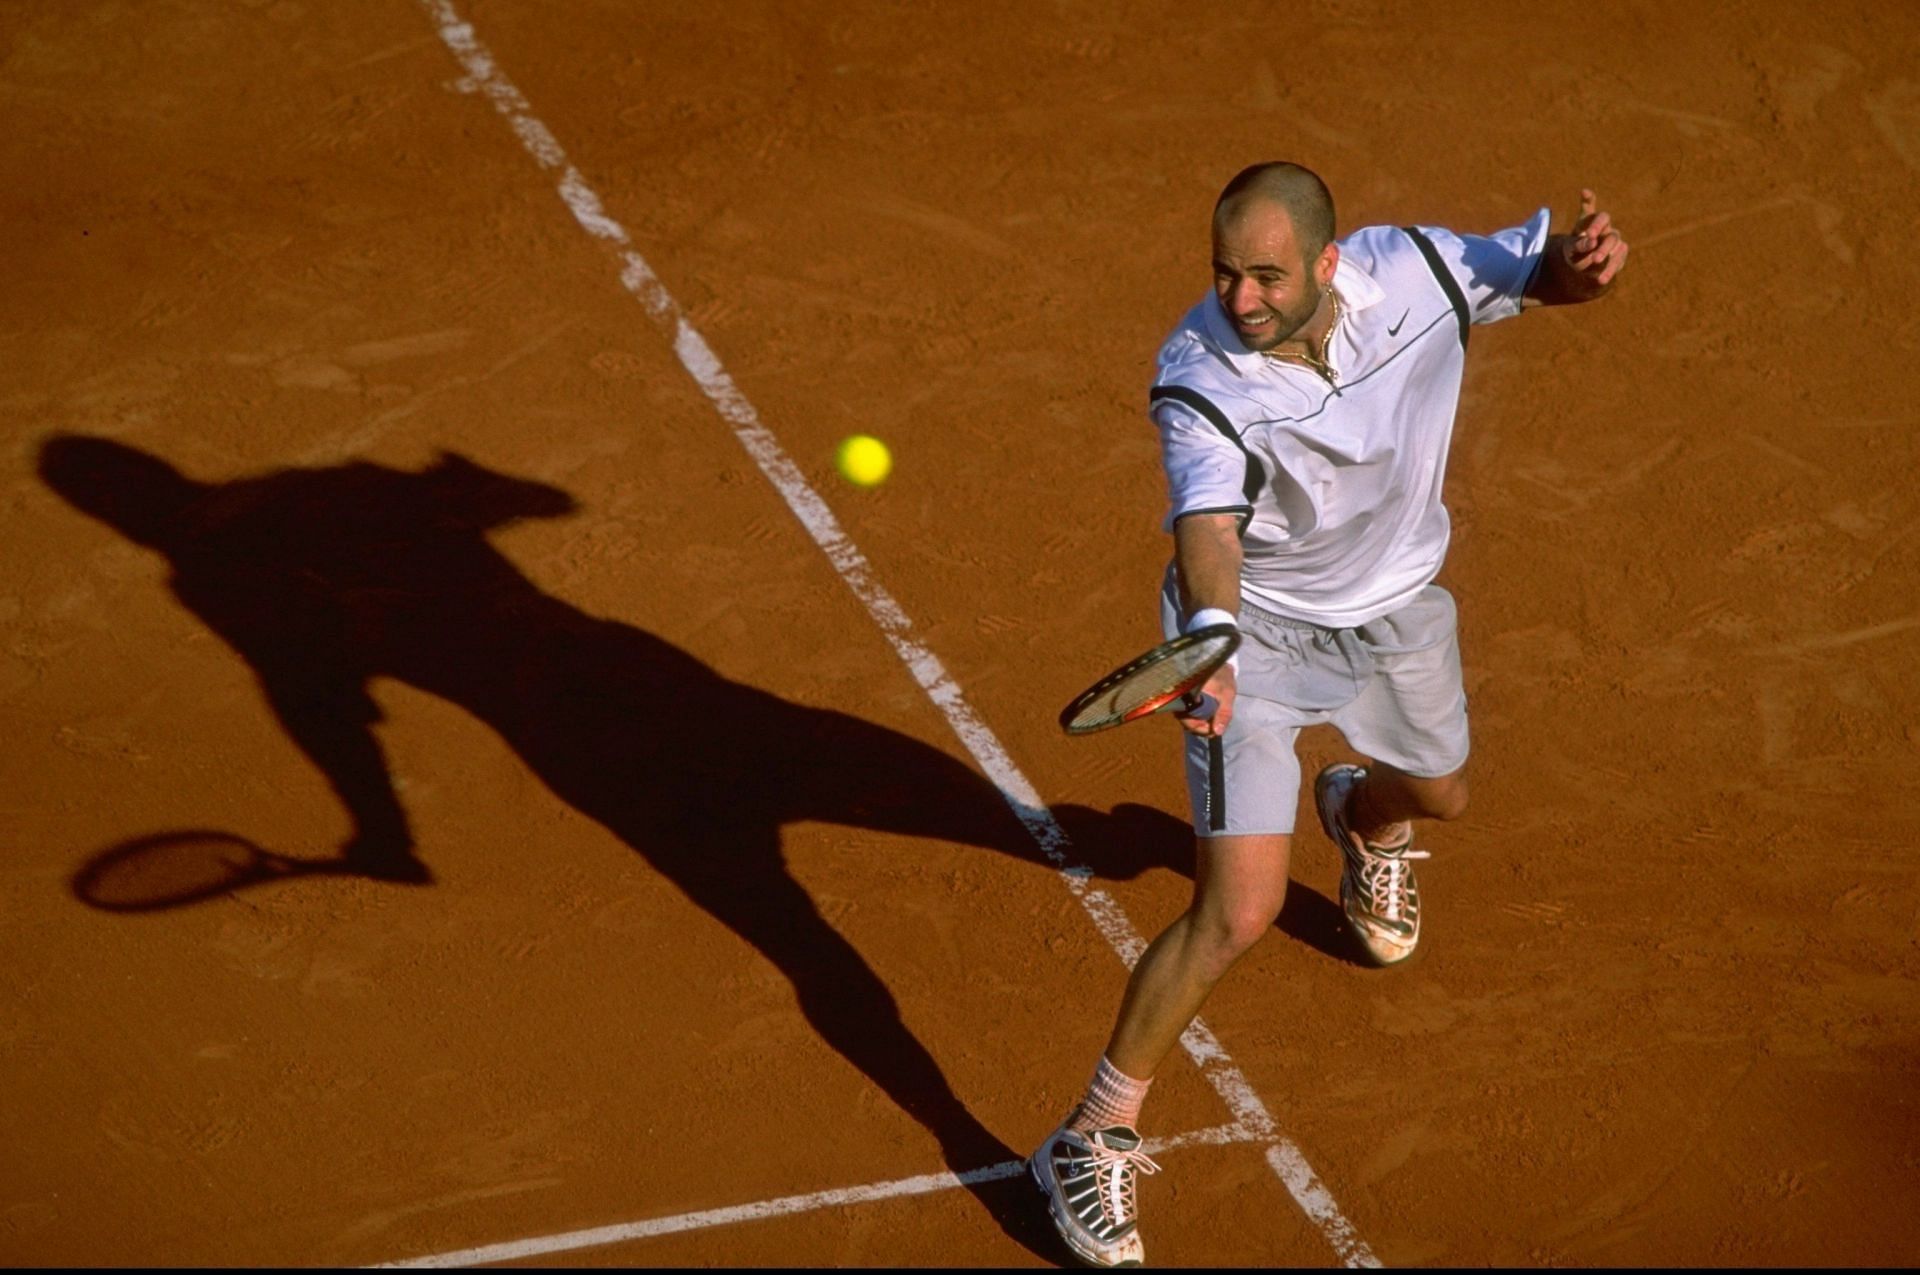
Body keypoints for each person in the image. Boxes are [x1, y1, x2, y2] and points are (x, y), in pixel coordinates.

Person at [1029, 162, 1628, 1267]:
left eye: (1265, 276)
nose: (1241, 299)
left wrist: (1578, 271)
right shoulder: (1200, 375)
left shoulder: (1419, 272)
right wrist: (1209, 645)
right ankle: (1092, 1134)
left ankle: (1361, 815)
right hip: (1251, 639)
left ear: (1329, 264)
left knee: (1444, 792)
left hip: (1397, 609)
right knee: (1240, 911)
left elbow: (1537, 279)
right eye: (1225, 275)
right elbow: (1207, 529)